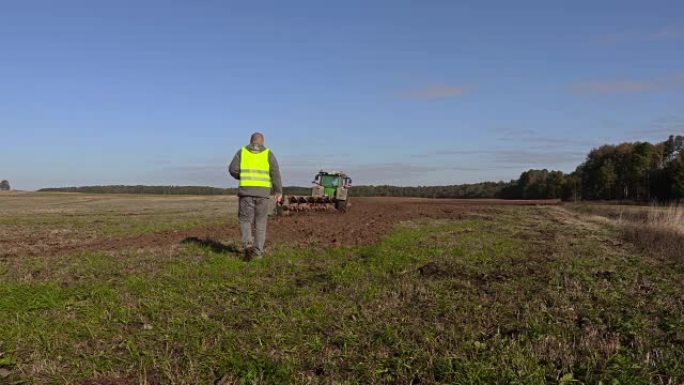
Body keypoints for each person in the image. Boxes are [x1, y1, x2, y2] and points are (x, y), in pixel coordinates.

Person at [229, 132, 283, 260]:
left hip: (246, 193)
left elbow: (232, 169)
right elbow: (275, 173)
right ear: (262, 142)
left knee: (245, 220)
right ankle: (257, 253)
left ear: (250, 141)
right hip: (263, 195)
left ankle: (247, 245)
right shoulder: (268, 154)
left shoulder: (242, 152)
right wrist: (278, 191)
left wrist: (241, 176)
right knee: (260, 223)